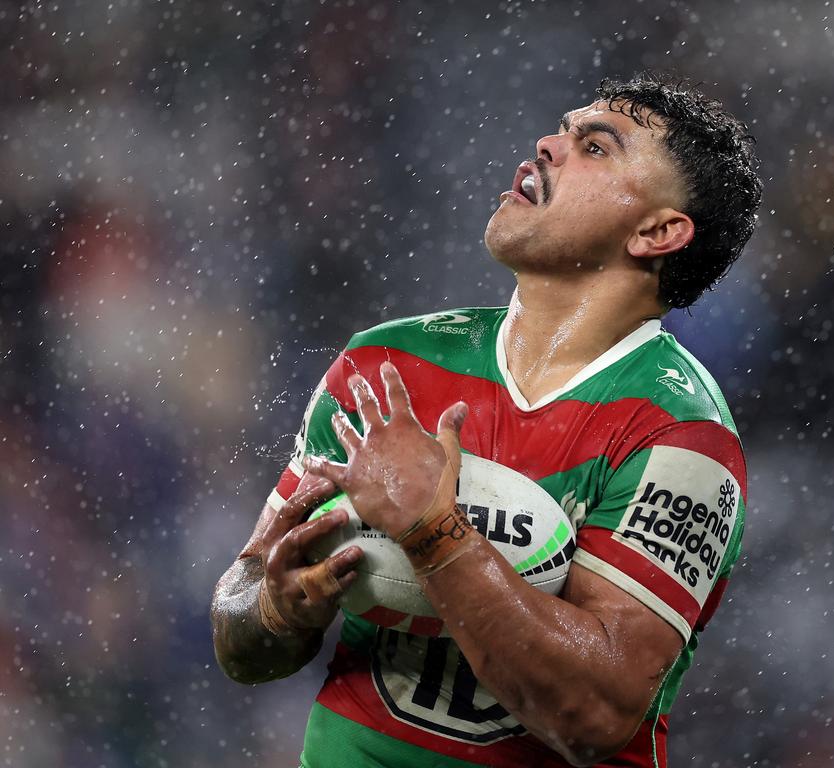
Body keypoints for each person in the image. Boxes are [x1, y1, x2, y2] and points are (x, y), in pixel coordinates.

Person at [211, 71, 762, 768]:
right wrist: (276, 609)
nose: (547, 145)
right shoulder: (386, 366)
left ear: (657, 231)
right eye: (562, 130)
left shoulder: (682, 436)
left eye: (595, 147)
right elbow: (240, 628)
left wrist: (435, 536)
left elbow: (594, 716)